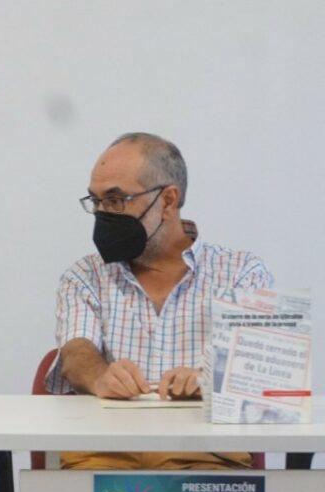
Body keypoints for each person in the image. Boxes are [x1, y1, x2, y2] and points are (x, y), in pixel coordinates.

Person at [47, 132, 273, 469]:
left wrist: (206, 380)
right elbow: (76, 353)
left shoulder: (241, 273)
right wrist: (100, 377)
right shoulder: (85, 276)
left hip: (203, 455)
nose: (103, 214)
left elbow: (255, 373)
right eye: (96, 201)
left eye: (116, 200)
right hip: (105, 455)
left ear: (167, 201)